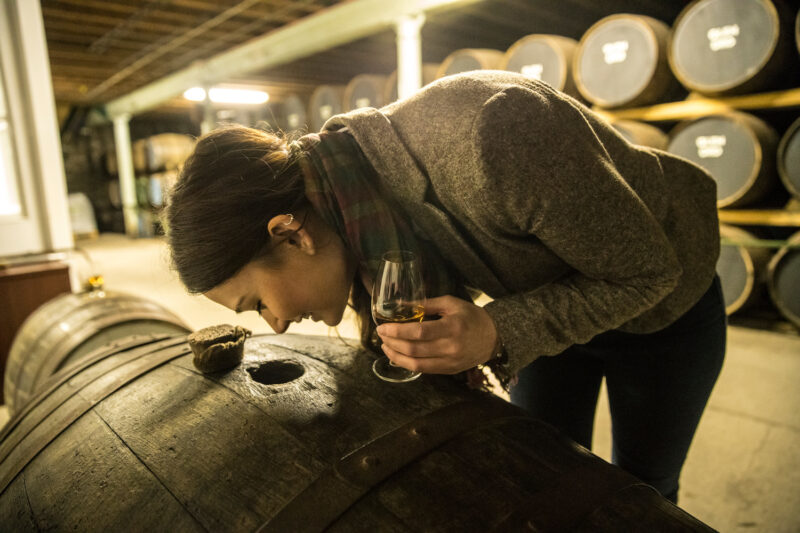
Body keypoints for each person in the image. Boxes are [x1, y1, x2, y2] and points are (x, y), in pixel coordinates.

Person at [165, 71, 726, 503]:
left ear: (290, 234)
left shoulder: (496, 134)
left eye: (259, 302)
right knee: (552, 477)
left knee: (646, 485)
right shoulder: (353, 202)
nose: (277, 324)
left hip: (663, 311)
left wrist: (496, 328)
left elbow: (648, 271)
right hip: (552, 301)